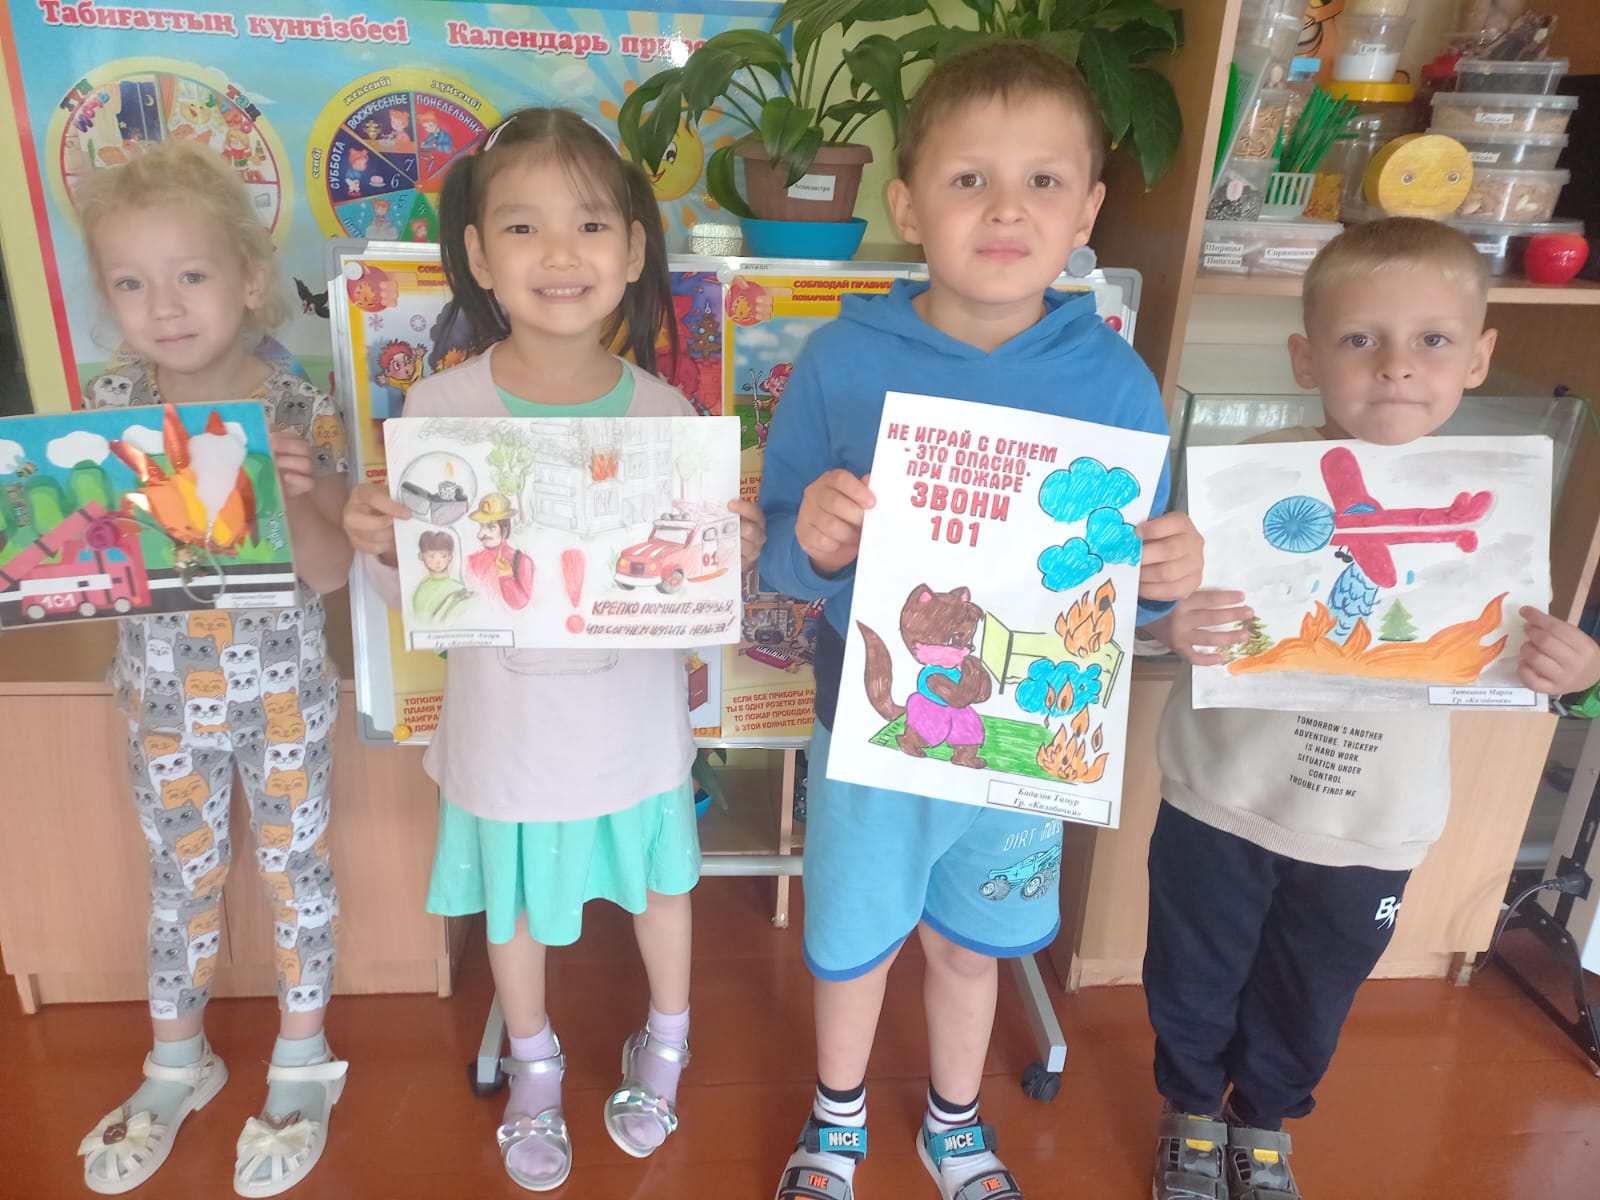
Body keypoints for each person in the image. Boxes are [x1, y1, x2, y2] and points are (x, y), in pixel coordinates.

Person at [757, 40, 1204, 1200]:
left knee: (971, 945)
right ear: (907, 204)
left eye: (1043, 181)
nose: (1007, 208)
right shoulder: (840, 363)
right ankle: (837, 1117)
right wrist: (812, 539)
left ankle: (953, 1122)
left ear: (1087, 211)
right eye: (970, 179)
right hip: (871, 735)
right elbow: (779, 552)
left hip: (1025, 744)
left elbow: (1127, 590)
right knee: (854, 940)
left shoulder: (1115, 385)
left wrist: (1169, 570)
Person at [340, 107, 766, 1192]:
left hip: (633, 730)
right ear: (479, 256)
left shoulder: (669, 418)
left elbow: (691, 609)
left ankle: (667, 1038)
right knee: (516, 906)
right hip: (507, 732)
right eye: (522, 228)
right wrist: (381, 546)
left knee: (662, 892)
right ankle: (532, 1058)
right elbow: (424, 594)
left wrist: (733, 556)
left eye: (590, 224)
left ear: (633, 250)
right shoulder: (440, 409)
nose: (560, 253)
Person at [1142, 217, 1600, 1200]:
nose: (1396, 365)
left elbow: (1539, 660)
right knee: (1191, 970)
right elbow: (1163, 609)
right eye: (1360, 338)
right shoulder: (1246, 481)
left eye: (1432, 339)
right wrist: (1171, 621)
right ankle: (1189, 1109)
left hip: (1372, 827)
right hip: (1221, 800)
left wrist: (1576, 670)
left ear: (1479, 358)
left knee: (1313, 991)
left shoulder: (1491, 510)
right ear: (1307, 356)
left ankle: (1263, 1121)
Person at [74, 139, 354, 1197]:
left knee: (293, 870)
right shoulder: (105, 406)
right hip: (159, 699)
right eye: (130, 283)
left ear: (247, 279)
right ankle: (177, 1062)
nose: (164, 306)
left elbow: (328, 573)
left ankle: (303, 1059)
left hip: (282, 693)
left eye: (189, 274)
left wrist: (299, 493)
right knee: (179, 878)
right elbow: (85, 563)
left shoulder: (298, 404)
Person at [466, 492, 535, 610]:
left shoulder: (523, 562)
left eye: (491, 527)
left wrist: (507, 577)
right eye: (481, 526)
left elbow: (519, 605)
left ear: (504, 529)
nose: (480, 534)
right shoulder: (473, 561)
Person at [413, 529, 471, 621]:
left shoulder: (458, 588)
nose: (438, 561)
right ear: (421, 556)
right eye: (431, 556)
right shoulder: (422, 589)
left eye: (443, 556)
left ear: (450, 557)